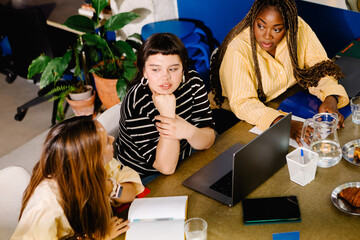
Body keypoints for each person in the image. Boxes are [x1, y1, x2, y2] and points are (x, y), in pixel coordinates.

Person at [209, 0, 349, 145]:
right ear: (253, 19)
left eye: (277, 29)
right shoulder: (238, 49)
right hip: (232, 117)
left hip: (277, 102)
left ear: (287, 26)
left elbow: (319, 67)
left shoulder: (298, 28)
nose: (267, 36)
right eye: (260, 26)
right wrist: (284, 124)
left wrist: (330, 98)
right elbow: (243, 103)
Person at [11, 116, 144, 240]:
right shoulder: (47, 203)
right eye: (106, 142)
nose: (112, 139)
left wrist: (109, 186)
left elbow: (131, 192)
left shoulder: (94, 166)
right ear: (92, 158)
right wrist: (99, 237)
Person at [116, 33, 216, 182]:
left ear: (183, 68)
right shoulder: (136, 102)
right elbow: (166, 168)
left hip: (185, 158)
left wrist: (187, 131)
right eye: (155, 70)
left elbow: (208, 139)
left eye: (173, 69)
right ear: (144, 71)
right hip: (144, 176)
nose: (165, 77)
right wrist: (168, 115)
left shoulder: (193, 82)